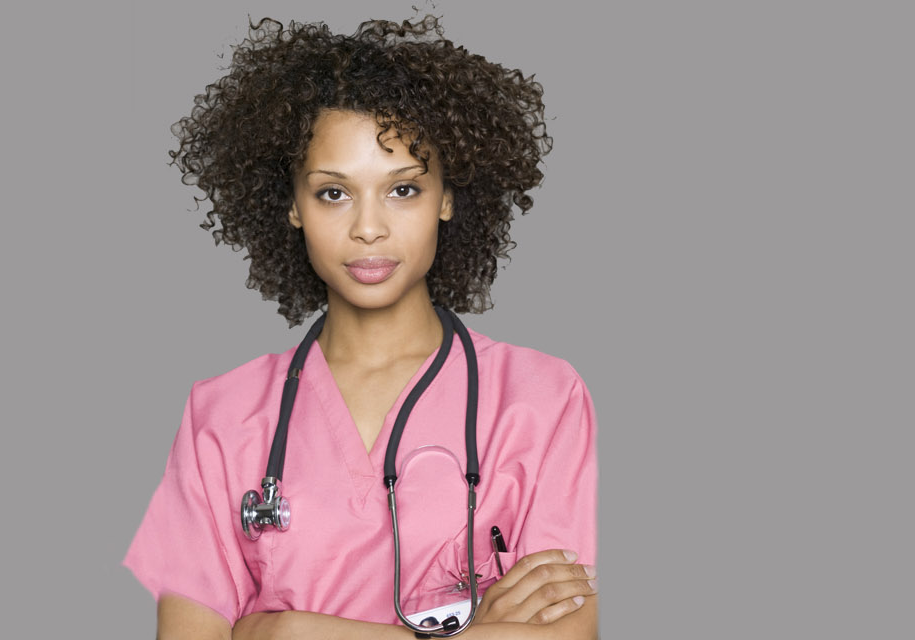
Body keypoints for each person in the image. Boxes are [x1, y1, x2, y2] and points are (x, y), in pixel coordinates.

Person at [123, 15, 599, 640]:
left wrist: (286, 632)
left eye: (402, 189)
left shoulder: (543, 398)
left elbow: (568, 633)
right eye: (333, 194)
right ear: (291, 204)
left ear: (447, 198)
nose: (368, 227)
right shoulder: (222, 415)